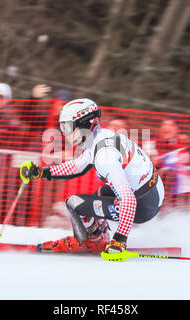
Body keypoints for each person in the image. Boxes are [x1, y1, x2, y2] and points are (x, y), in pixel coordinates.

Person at [20, 98, 164, 255]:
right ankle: (97, 236)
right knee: (98, 195)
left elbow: (128, 200)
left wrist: (119, 241)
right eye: (62, 127)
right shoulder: (99, 137)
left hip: (143, 204)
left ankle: (90, 242)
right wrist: (42, 172)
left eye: (67, 127)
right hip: (151, 193)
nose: (65, 133)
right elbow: (77, 166)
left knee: (74, 203)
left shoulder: (104, 155)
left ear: (83, 123)